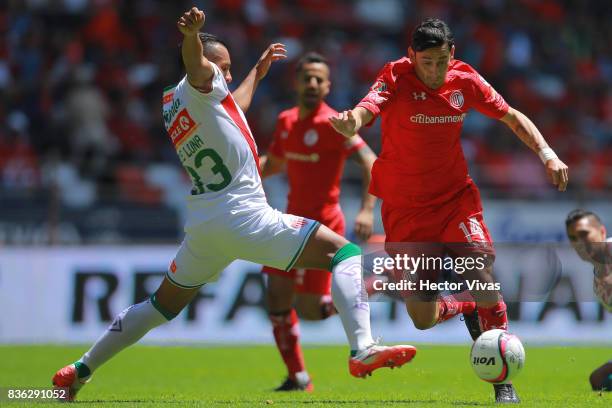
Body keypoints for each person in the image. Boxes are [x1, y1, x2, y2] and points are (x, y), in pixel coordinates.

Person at [51, 7, 416, 401]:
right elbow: (197, 65)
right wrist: (193, 37)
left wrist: (256, 72)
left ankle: (81, 369)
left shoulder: (175, 102)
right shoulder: (198, 77)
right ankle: (362, 348)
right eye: (221, 67)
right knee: (343, 252)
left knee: (159, 305)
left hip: (205, 228)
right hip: (246, 216)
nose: (225, 75)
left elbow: (230, 103)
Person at [330, 18, 569, 403]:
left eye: (442, 61)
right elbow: (366, 107)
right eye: (427, 62)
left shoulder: (465, 80)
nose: (435, 70)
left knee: (481, 274)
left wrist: (548, 154)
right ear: (412, 56)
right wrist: (350, 122)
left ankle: (502, 382)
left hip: (455, 200)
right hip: (406, 211)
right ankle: (465, 304)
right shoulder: (395, 75)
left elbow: (511, 116)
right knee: (421, 319)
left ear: (452, 54)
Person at [260, 52, 378, 392]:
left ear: (328, 86)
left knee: (310, 312)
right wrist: (243, 171)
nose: (312, 84)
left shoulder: (335, 124)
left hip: (324, 227)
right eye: (306, 77)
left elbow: (371, 163)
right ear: (296, 82)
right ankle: (298, 377)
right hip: (286, 224)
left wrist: (367, 209)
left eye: (318, 79)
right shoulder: (285, 121)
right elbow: (276, 163)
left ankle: (369, 285)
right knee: (277, 299)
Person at [565, 209, 612, 392]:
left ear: (602, 232)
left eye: (584, 234)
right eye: (573, 238)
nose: (579, 243)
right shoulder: (600, 289)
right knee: (598, 380)